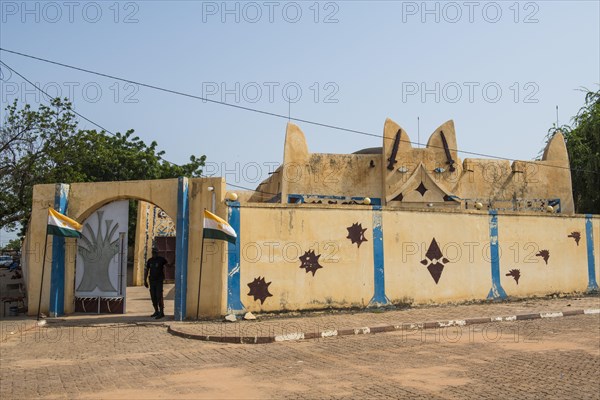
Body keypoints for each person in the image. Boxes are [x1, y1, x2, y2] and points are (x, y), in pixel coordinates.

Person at [144, 247, 168, 319]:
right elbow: (147, 270)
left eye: (156, 252)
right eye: (153, 252)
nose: (154, 254)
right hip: (152, 281)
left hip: (159, 281)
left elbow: (168, 265)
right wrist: (144, 280)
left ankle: (161, 312)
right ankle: (156, 311)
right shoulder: (150, 261)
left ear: (158, 253)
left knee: (159, 296)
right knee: (153, 296)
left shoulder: (161, 260)